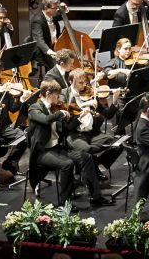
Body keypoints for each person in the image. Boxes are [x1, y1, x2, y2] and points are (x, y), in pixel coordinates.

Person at [26, 79, 114, 207]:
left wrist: (79, 119)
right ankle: (65, 203)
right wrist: (60, 114)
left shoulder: (55, 108)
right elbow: (45, 120)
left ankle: (96, 197)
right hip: (42, 152)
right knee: (67, 164)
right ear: (49, 93)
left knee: (86, 157)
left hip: (57, 148)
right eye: (57, 95)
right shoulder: (35, 108)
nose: (59, 98)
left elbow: (65, 130)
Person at [61, 68, 124, 178]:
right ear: (71, 82)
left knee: (118, 144)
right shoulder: (64, 94)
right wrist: (84, 105)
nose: (84, 85)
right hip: (74, 134)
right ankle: (91, 168)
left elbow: (107, 114)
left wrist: (114, 100)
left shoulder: (90, 93)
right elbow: (64, 111)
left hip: (92, 133)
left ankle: (95, 165)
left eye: (85, 82)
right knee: (87, 149)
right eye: (80, 83)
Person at [29, 0, 65, 74]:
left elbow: (61, 15)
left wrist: (64, 9)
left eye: (57, 8)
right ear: (46, 8)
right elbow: (39, 40)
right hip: (43, 51)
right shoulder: (37, 20)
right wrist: (50, 51)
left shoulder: (52, 15)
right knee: (58, 67)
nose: (57, 10)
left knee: (67, 60)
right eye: (54, 8)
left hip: (55, 47)